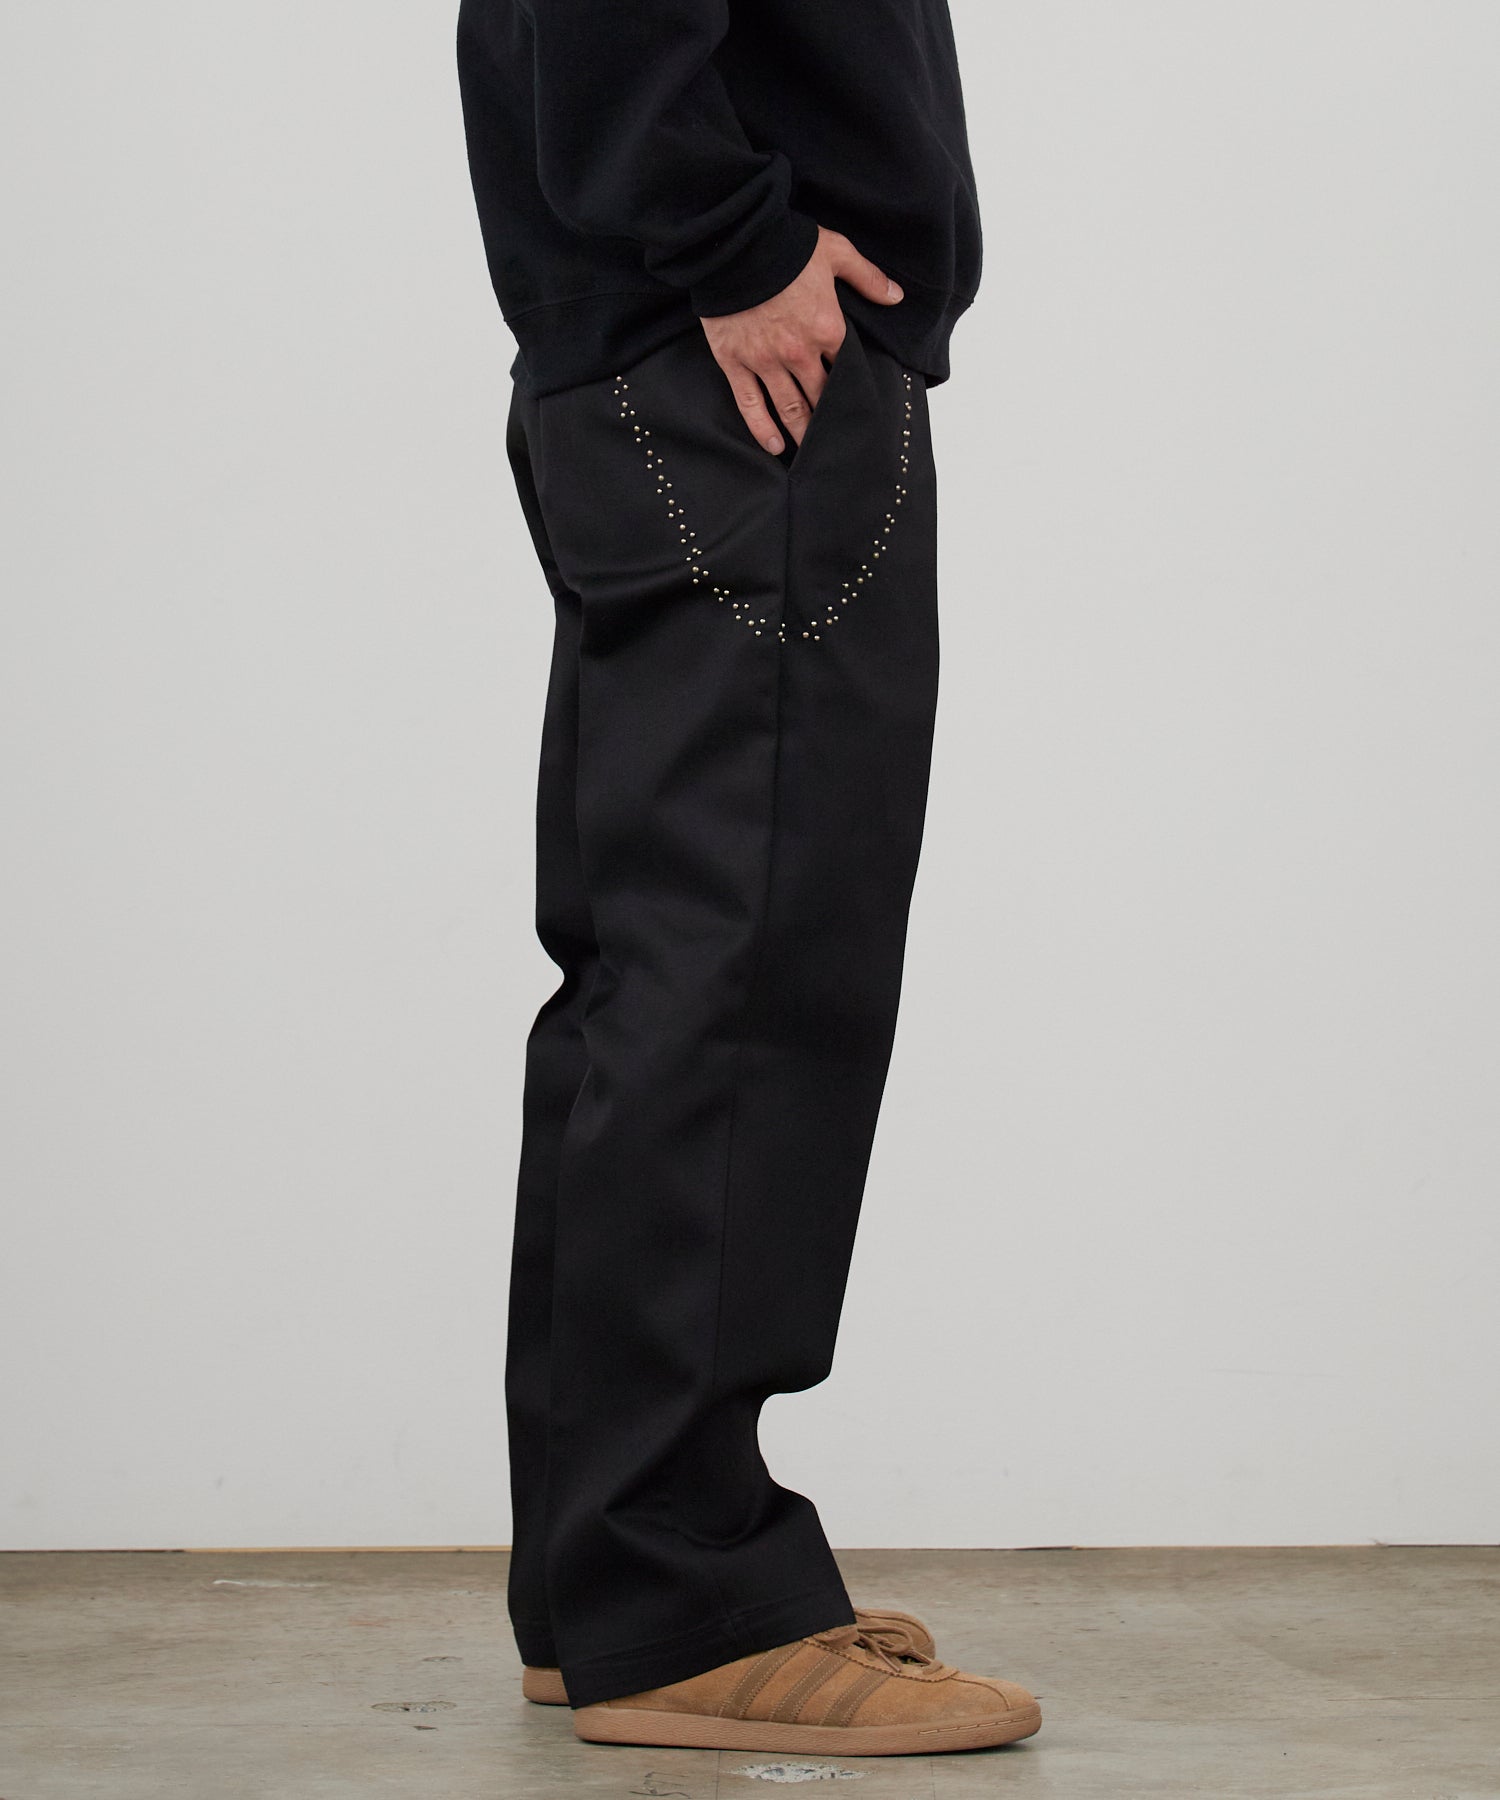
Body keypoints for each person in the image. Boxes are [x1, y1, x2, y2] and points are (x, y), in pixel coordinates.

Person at [455, 0, 1042, 1758]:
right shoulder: (733, 294)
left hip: (658, 361)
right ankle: (680, 1585)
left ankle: (607, 1583)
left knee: (658, 973)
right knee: (745, 977)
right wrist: (733, 239)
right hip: (743, 369)